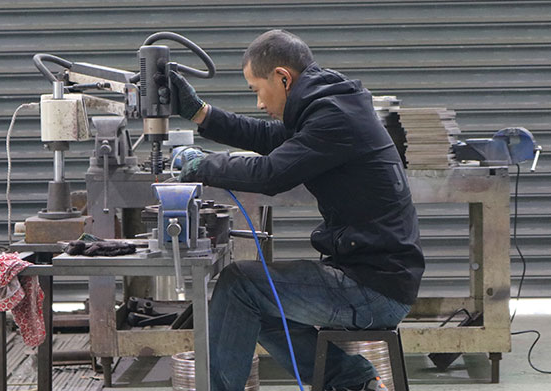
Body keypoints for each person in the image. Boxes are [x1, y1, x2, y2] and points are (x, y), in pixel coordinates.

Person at [168, 29, 424, 391]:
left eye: (257, 90)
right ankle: (355, 382)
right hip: (374, 274)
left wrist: (203, 166)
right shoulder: (331, 106)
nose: (258, 103)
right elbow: (267, 138)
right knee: (257, 302)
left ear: (283, 78)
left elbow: (271, 173)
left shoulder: (334, 118)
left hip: (373, 288)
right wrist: (200, 114)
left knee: (239, 285)